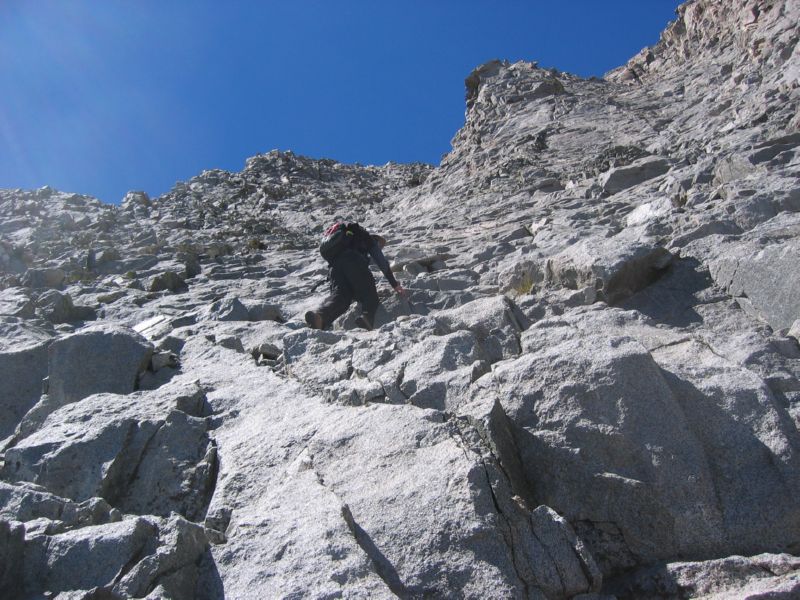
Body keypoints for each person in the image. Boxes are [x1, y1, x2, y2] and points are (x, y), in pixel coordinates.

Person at [305, 222, 406, 330]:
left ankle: (320, 315)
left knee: (341, 297)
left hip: (334, 268)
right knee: (370, 296)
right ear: (377, 241)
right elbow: (381, 262)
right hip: (353, 261)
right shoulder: (368, 239)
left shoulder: (345, 242)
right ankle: (366, 318)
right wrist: (394, 284)